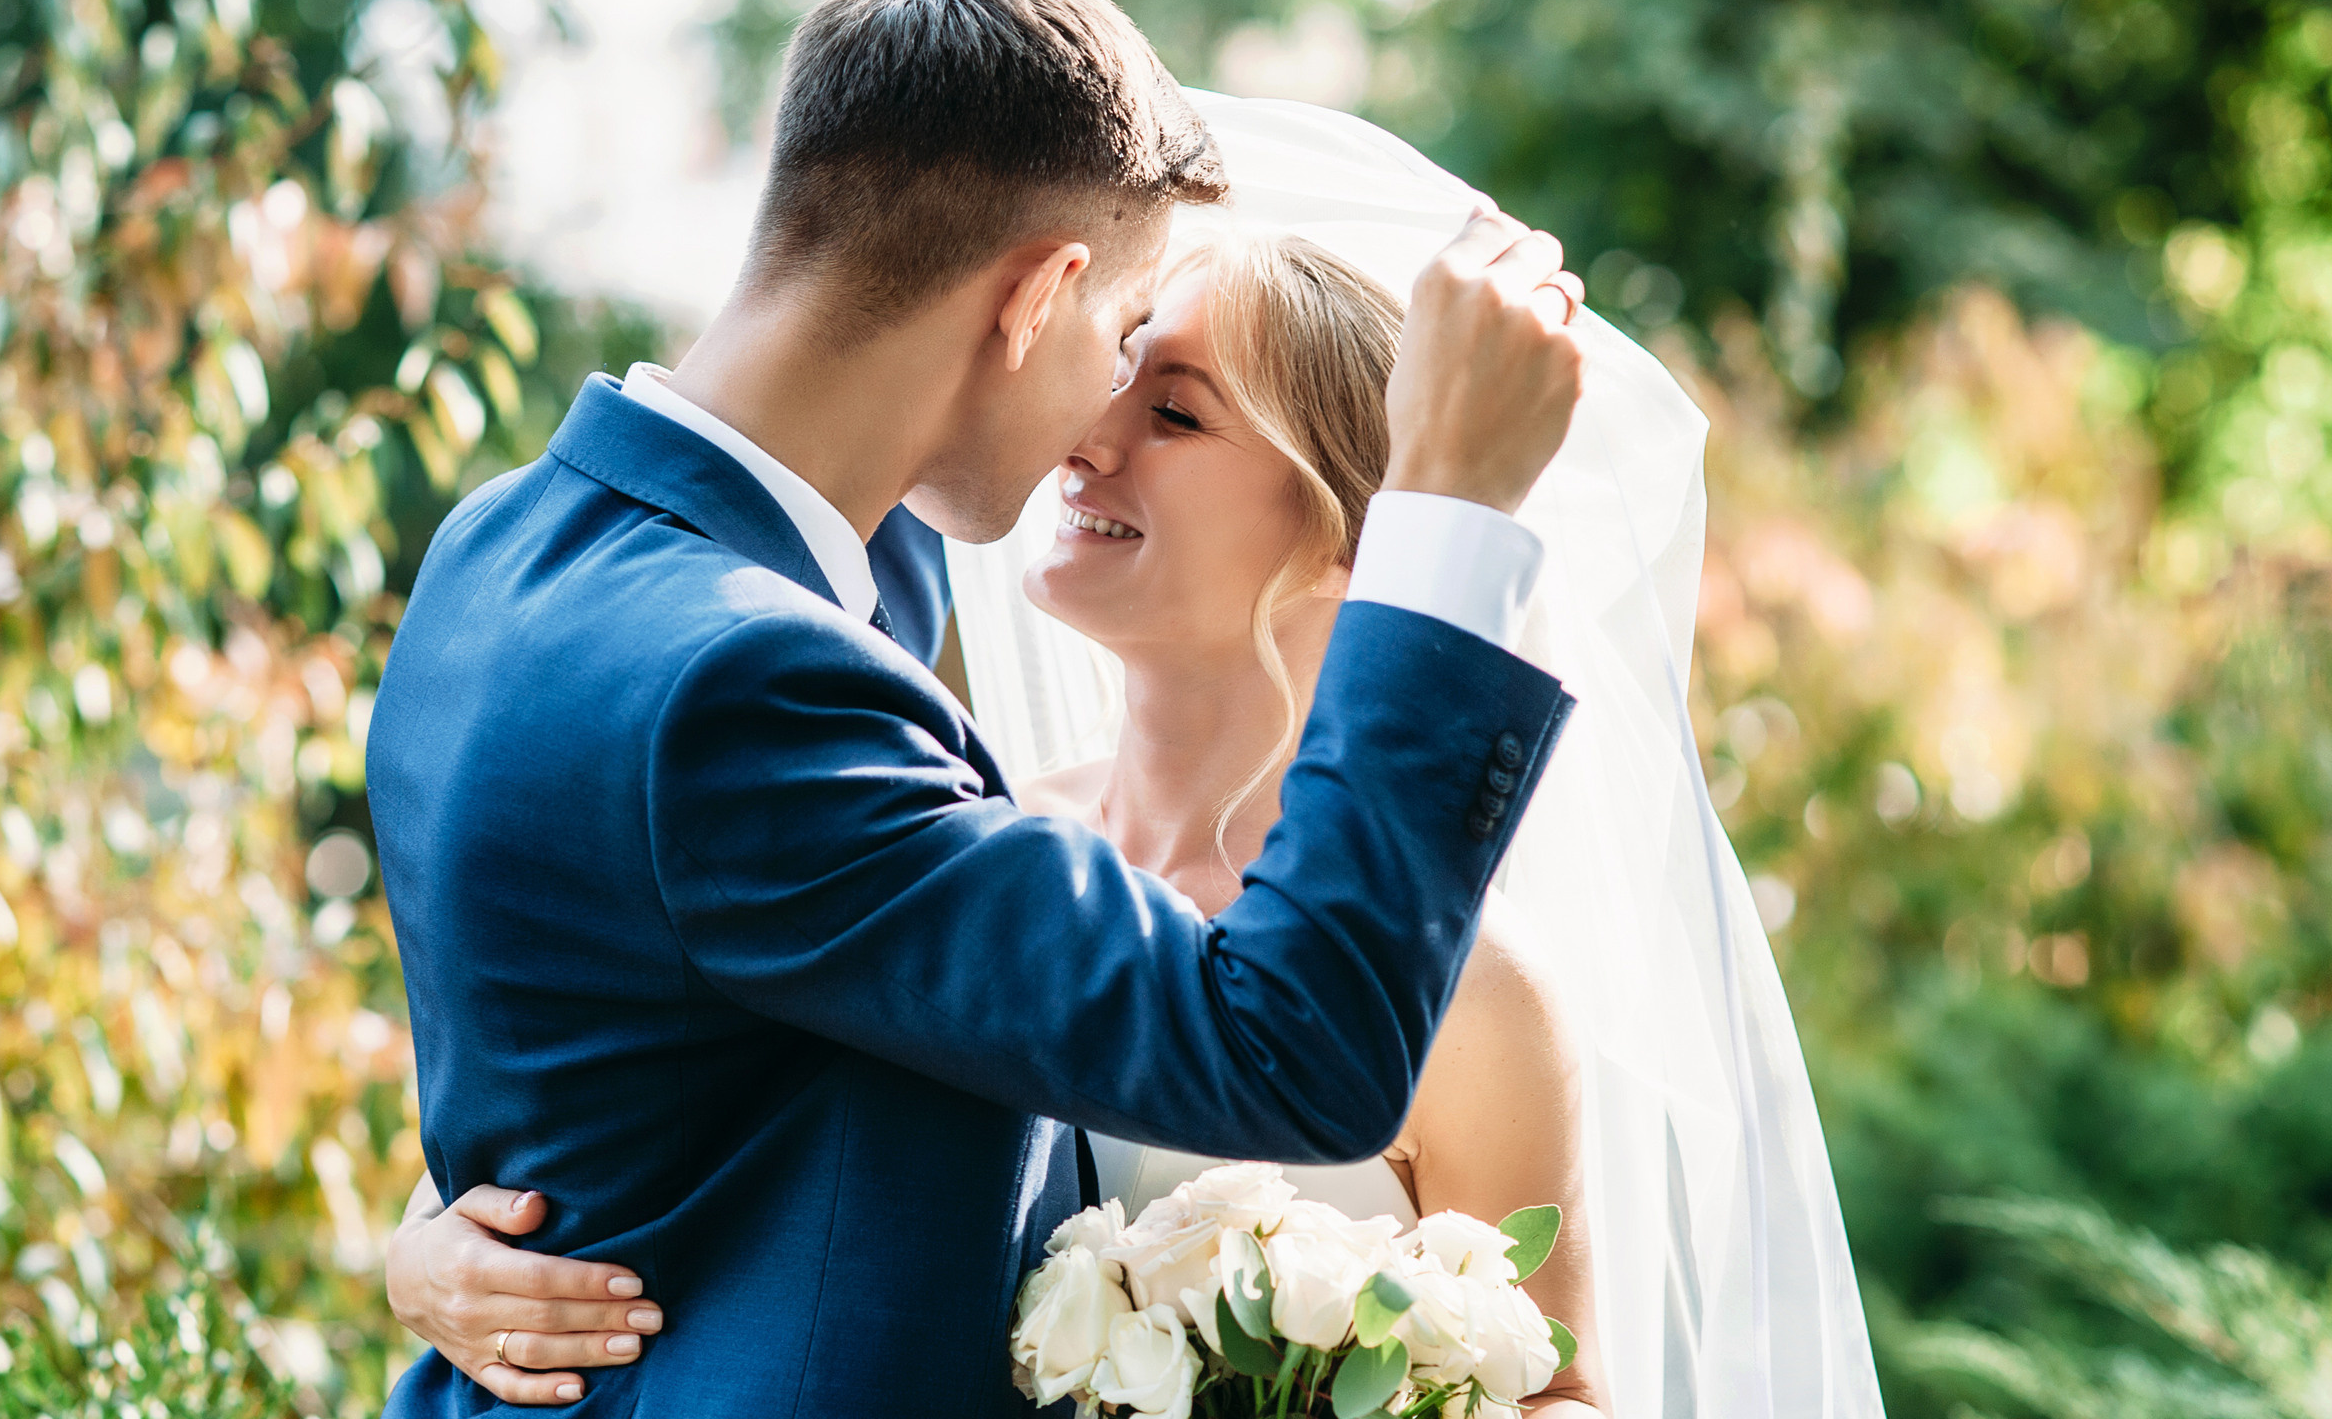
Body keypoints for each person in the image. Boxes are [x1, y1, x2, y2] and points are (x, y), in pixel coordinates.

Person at [389, 94, 1892, 1419]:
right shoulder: (961, 813)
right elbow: (681, 1055)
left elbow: (1564, 1389)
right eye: (1111, 378)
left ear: (1347, 531)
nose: (1084, 441)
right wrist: (441, 1236)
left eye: (1173, 411)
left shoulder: (1478, 996)